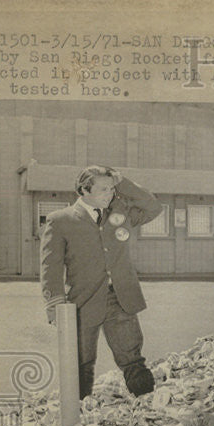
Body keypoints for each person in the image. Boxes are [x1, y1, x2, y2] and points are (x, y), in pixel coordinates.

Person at [40, 165, 163, 399]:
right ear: (84, 190)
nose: (110, 194)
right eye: (103, 189)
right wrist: (54, 305)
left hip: (120, 298)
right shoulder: (60, 221)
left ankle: (147, 408)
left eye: (111, 189)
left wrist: (122, 182)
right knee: (81, 366)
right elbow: (50, 267)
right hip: (82, 303)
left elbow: (153, 206)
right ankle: (79, 421)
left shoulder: (121, 213)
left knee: (133, 361)